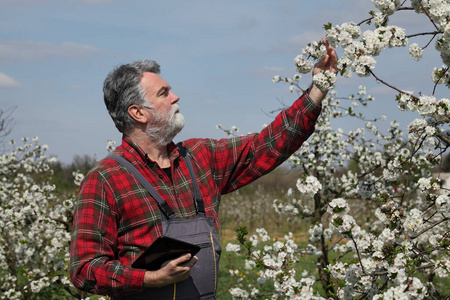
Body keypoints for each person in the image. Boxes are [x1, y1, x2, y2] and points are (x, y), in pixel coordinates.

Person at [69, 39, 338, 299]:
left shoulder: (199, 157)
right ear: (138, 113)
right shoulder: (106, 179)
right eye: (164, 93)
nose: (176, 97)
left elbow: (267, 145)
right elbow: (85, 269)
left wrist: (317, 89)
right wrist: (150, 279)